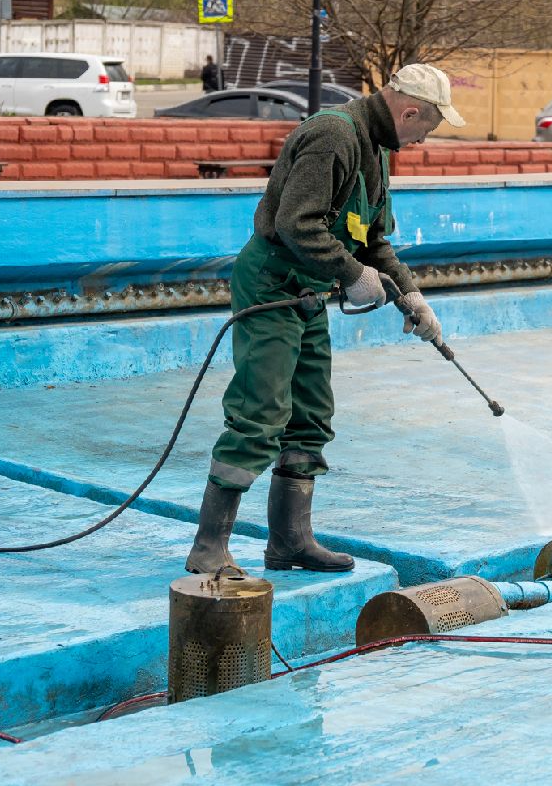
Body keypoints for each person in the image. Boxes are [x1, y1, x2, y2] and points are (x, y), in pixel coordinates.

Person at [185, 63, 465, 575]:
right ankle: (209, 548)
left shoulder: (376, 151)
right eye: (429, 127)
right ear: (408, 112)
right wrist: (351, 273)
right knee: (260, 411)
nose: (426, 139)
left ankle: (289, 542)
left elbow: (373, 239)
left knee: (311, 413)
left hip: (309, 292)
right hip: (273, 282)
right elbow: (297, 222)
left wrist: (412, 295)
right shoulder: (333, 135)